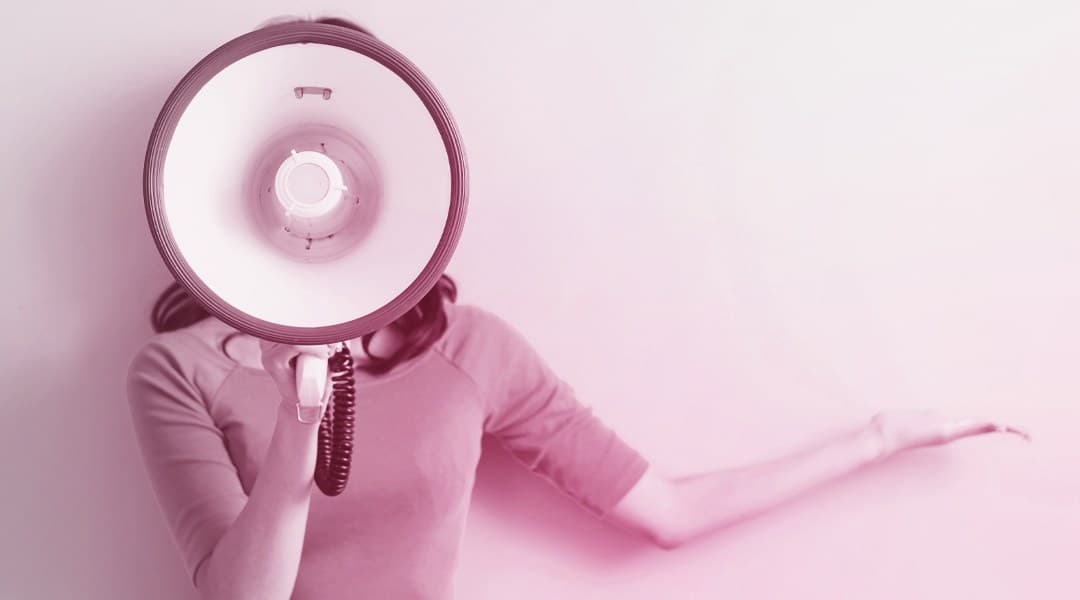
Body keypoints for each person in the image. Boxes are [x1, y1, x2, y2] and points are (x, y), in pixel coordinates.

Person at [127, 16, 1029, 600]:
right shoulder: (179, 368)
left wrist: (878, 437)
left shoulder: (473, 352)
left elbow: (668, 513)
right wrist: (299, 435)